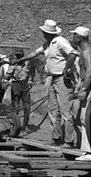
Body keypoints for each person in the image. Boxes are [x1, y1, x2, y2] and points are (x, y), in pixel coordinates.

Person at [15, 19, 78, 147]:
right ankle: (56, 138)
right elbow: (35, 53)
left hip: (62, 79)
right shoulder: (47, 44)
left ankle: (69, 141)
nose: (43, 34)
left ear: (49, 33)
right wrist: (22, 59)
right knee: (53, 110)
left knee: (65, 110)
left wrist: (66, 70)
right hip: (53, 78)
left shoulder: (60, 42)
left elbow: (72, 54)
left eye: (44, 32)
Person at [70, 26, 91, 160]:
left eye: (74, 35)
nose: (73, 38)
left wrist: (84, 90)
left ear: (79, 37)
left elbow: (89, 71)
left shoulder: (87, 52)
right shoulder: (84, 51)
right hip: (86, 86)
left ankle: (89, 152)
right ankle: (86, 150)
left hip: (89, 89)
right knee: (83, 118)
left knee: (87, 118)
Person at [5, 49, 32, 131]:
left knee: (27, 106)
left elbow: (30, 73)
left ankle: (25, 126)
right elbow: (7, 75)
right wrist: (9, 74)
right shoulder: (13, 64)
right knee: (15, 106)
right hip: (16, 84)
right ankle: (14, 125)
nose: (20, 56)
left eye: (21, 55)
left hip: (25, 85)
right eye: (18, 55)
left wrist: (30, 80)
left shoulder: (27, 63)